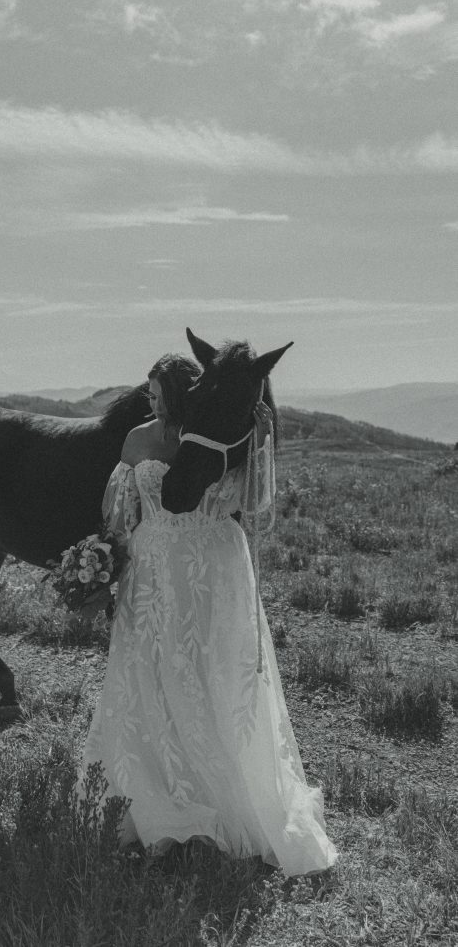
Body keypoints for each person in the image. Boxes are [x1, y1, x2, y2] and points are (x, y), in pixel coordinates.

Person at [81, 353, 338, 877]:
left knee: (214, 670)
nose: (149, 403)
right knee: (149, 672)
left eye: (156, 395)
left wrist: (263, 446)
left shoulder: (222, 429)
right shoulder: (137, 440)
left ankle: (224, 795)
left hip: (215, 568)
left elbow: (258, 502)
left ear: (179, 394)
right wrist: (102, 563)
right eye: (147, 395)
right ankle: (155, 790)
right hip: (153, 571)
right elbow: (120, 513)